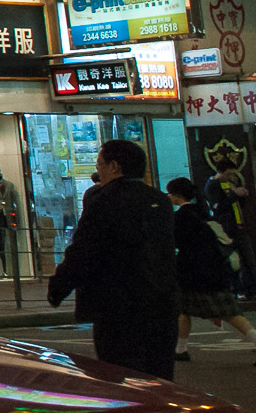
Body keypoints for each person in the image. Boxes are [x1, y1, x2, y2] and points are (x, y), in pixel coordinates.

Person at [47, 139, 179, 380]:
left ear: (115, 166)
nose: (98, 171)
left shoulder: (103, 199)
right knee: (159, 379)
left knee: (121, 378)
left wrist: (59, 286)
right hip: (162, 305)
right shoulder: (160, 201)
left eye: (100, 164)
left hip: (118, 307)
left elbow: (84, 250)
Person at [169, 177, 256, 366]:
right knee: (225, 311)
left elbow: (177, 243)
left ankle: (182, 349)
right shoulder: (203, 213)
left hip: (192, 273)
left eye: (170, 193)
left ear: (176, 195)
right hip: (215, 269)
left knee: (186, 310)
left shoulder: (181, 217)